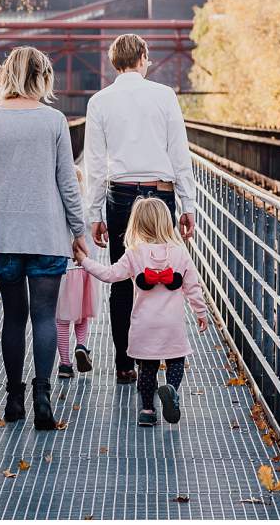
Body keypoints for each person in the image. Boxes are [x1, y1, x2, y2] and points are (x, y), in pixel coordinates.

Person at [0, 46, 88, 430]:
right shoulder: (53, 121)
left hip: (4, 234)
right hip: (47, 234)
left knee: (13, 317)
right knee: (43, 316)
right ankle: (43, 398)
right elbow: (67, 183)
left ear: (8, 73)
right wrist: (79, 231)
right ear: (42, 76)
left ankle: (13, 399)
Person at [84, 33, 196, 384]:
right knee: (160, 276)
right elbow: (179, 153)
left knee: (122, 279)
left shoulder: (100, 101)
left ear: (113, 61)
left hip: (120, 196)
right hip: (160, 196)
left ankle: (125, 364)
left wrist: (94, 214)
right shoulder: (164, 96)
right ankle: (163, 358)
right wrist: (188, 205)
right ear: (143, 57)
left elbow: (95, 164)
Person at [75, 197, 208, 426]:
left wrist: (84, 261)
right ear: (168, 222)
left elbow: (109, 275)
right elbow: (192, 287)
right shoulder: (180, 252)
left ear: (136, 224)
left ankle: (147, 411)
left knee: (147, 368)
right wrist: (201, 312)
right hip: (173, 324)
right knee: (176, 361)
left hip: (144, 324)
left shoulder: (134, 253)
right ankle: (171, 390)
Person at [56, 166, 99, 379]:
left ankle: (65, 364)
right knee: (82, 315)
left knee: (61, 319)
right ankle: (81, 346)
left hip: (63, 270)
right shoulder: (86, 208)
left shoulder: (57, 209)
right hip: (85, 269)